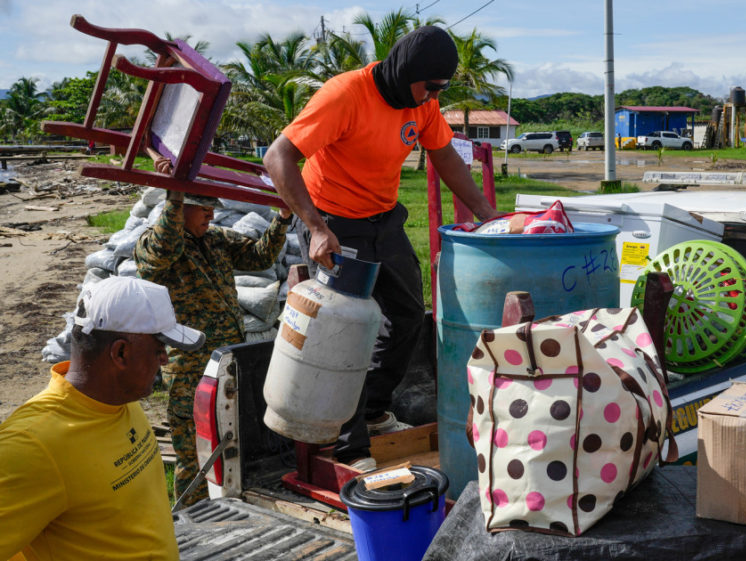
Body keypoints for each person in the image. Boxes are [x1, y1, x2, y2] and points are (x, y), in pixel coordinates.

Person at [263, 25, 502, 471]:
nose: (435, 95)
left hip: (381, 219)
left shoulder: (423, 105)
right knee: (345, 329)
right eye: (431, 86)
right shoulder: (345, 95)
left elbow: (445, 155)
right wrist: (314, 227)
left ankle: (372, 410)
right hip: (332, 221)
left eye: (442, 89)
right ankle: (350, 447)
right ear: (407, 71)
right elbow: (278, 156)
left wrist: (486, 212)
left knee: (409, 314)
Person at [0, 277, 205, 560]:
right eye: (159, 349)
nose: (165, 360)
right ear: (121, 353)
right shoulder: (33, 445)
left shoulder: (120, 400)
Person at [134, 189, 292, 507]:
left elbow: (260, 256)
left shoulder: (217, 239)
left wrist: (282, 219)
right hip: (188, 365)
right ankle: (191, 518)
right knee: (194, 452)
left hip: (227, 358)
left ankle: (226, 505)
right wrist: (175, 197)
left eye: (212, 207)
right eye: (202, 207)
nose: (211, 214)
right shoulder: (154, 244)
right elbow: (162, 251)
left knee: (230, 437)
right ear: (178, 209)